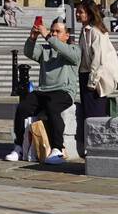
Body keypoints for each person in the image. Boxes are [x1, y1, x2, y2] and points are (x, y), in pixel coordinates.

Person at [8, 17, 80, 164]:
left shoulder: (73, 49)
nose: (53, 34)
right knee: (22, 108)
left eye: (57, 32)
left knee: (53, 106)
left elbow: (67, 52)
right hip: (44, 90)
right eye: (52, 31)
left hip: (64, 91)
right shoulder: (45, 49)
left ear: (66, 35)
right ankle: (19, 146)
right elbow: (30, 52)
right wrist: (32, 38)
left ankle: (57, 149)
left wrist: (47, 36)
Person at [76, 1, 118, 154]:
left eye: (80, 12)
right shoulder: (85, 30)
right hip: (85, 75)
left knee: (94, 114)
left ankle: (97, 147)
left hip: (94, 78)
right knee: (88, 113)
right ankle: (92, 146)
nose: (77, 14)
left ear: (89, 14)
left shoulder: (96, 32)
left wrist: (92, 81)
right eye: (77, 11)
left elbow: (99, 59)